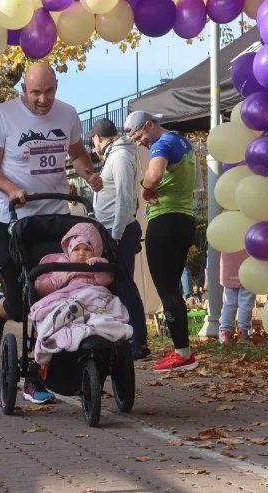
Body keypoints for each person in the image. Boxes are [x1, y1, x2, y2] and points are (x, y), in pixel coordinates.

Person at [0, 63, 103, 403]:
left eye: (49, 91)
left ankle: (37, 377)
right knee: (22, 308)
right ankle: (0, 310)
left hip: (54, 222)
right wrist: (12, 188)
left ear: (57, 86)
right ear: (24, 90)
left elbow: (77, 154)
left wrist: (88, 174)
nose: (43, 100)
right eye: (36, 93)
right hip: (12, 221)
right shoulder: (3, 115)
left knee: (55, 301)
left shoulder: (68, 114)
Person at [127, 111, 199, 372]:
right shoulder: (182, 142)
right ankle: (182, 351)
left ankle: (183, 354)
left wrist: (145, 188)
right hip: (184, 220)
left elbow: (155, 175)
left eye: (139, 135)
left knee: (167, 289)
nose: (139, 142)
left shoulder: (163, 143)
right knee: (173, 289)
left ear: (149, 125)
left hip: (165, 221)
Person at [30, 223, 131, 392]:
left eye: (87, 249)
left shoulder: (100, 264)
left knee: (104, 309)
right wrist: (35, 286)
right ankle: (58, 334)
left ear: (95, 251)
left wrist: (98, 264)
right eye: (76, 250)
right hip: (70, 295)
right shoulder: (62, 266)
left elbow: (106, 280)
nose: (82, 253)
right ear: (69, 252)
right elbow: (51, 284)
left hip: (95, 294)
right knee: (58, 310)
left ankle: (94, 327)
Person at [86, 118, 150, 360]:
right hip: (113, 230)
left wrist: (114, 236)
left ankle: (139, 341)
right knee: (115, 285)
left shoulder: (121, 157)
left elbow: (125, 200)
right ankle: (122, 337)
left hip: (119, 231)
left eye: (93, 139)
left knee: (124, 284)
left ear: (100, 138)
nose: (94, 145)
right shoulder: (115, 155)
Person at [218, 250, 253, 343]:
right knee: (246, 303)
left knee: (228, 303)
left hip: (228, 269)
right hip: (249, 269)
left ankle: (225, 332)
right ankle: (243, 332)